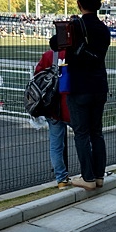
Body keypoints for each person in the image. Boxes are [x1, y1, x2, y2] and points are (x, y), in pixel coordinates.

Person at [49, 0, 111, 191]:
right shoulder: (104, 29)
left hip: (79, 87)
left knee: (82, 133)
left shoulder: (74, 27)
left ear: (78, 3)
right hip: (99, 85)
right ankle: (99, 175)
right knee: (97, 132)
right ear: (99, 4)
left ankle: (88, 177)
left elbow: (54, 43)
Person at [34, 48, 71, 189]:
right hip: (70, 105)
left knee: (56, 145)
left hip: (52, 107)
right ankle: (89, 173)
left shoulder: (49, 55)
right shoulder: (73, 52)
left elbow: (37, 76)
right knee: (85, 137)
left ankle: (61, 179)